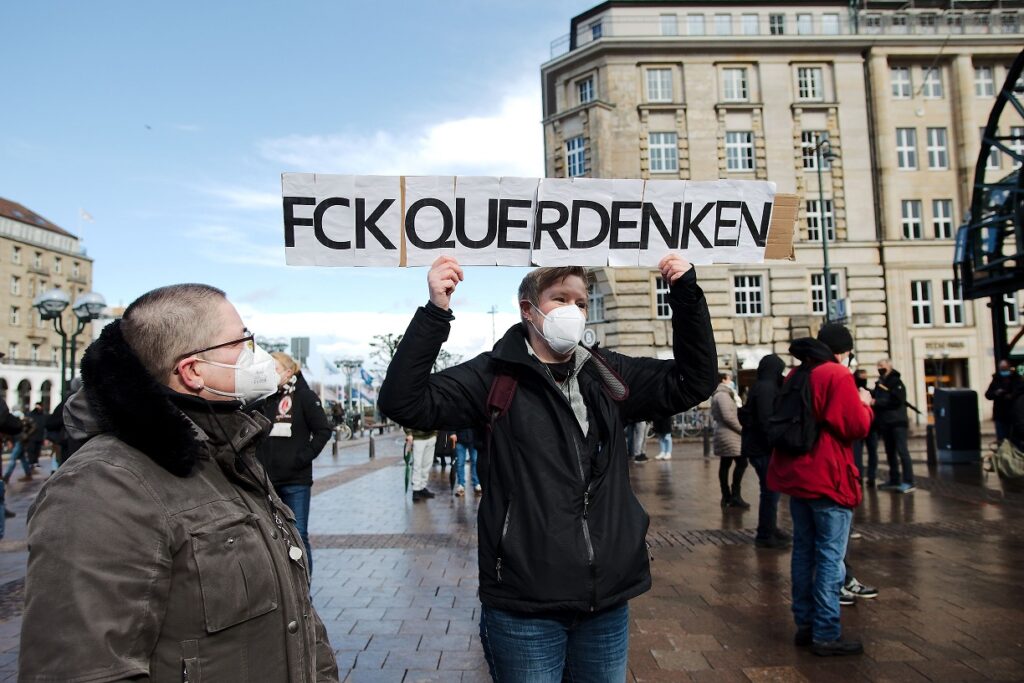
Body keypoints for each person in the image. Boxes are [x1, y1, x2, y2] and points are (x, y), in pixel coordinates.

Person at [378, 255, 716, 681]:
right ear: (528, 309)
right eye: (560, 299)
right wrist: (435, 312)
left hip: (605, 601)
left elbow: (694, 381)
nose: (573, 311)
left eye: (581, 301)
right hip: (525, 606)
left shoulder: (608, 374)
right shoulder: (493, 375)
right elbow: (402, 401)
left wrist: (685, 294)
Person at [20, 284, 338, 681]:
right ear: (192, 371)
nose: (254, 355)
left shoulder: (230, 454)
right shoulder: (102, 486)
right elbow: (80, 667)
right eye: (242, 341)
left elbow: (300, 619)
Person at [768, 322, 873, 657]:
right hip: (827, 476)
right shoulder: (836, 375)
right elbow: (854, 425)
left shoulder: (797, 373)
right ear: (842, 351)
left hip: (797, 476)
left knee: (803, 551)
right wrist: (865, 402)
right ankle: (826, 631)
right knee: (830, 556)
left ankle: (806, 624)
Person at [256, 351, 333, 576]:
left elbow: (323, 431)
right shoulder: (265, 398)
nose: (270, 373)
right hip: (266, 481)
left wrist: (301, 458)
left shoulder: (304, 396)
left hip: (295, 481)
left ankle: (303, 591)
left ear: (289, 372)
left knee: (298, 535)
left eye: (275, 369)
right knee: (271, 537)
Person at [742, 354, 789, 548]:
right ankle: (765, 533)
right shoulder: (766, 388)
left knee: (770, 491)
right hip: (762, 448)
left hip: (758, 446)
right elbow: (765, 420)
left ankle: (770, 527)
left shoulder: (761, 385)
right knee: (770, 492)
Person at [873, 359, 915, 493]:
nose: (880, 368)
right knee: (890, 452)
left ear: (889, 366)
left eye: (882, 365)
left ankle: (909, 481)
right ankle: (894, 479)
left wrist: (877, 402)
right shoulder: (880, 382)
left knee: (902, 451)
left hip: (897, 422)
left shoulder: (896, 382)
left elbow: (897, 400)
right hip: (885, 422)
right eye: (878, 365)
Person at [712, 371, 748, 509]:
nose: (731, 380)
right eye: (729, 378)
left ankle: (729, 496)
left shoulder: (723, 394)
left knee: (726, 464)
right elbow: (728, 417)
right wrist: (741, 429)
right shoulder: (722, 395)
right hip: (729, 435)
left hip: (726, 434)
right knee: (741, 462)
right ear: (723, 380)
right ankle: (733, 495)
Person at [851, 369, 880, 487]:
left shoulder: (870, 392)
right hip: (859, 427)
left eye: (865, 377)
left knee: (872, 452)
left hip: (872, 427)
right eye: (861, 377)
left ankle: (871, 477)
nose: (864, 379)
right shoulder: (852, 392)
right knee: (857, 453)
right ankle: (859, 477)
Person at [985, 360, 1021, 443]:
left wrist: (1012, 395)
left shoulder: (1016, 379)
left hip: (1014, 413)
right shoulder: (996, 379)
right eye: (1002, 369)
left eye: (1005, 368)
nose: (1003, 371)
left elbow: (1020, 391)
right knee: (1002, 438)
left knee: (1014, 438)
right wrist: (996, 393)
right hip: (1000, 413)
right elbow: (988, 394)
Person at [405, 427, 438, 501]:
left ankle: (422, 487)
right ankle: (416, 489)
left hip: (431, 436)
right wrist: (409, 433)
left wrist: (435, 433)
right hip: (418, 438)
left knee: (427, 464)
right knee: (417, 464)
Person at [2, 411, 34, 484]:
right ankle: (28, 474)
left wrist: (26, 435)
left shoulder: (23, 421)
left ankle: (6, 476)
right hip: (19, 441)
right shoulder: (19, 421)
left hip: (19, 441)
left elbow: (34, 427)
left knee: (13, 458)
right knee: (23, 459)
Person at [454, 426, 482, 495]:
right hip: (460, 437)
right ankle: (461, 484)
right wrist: (452, 433)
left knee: (475, 461)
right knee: (460, 462)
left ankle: (477, 483)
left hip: (474, 437)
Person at [25, 403, 46, 468]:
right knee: (31, 450)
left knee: (37, 450)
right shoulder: (30, 414)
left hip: (39, 436)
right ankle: (31, 462)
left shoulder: (43, 415)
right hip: (32, 436)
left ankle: (35, 462)